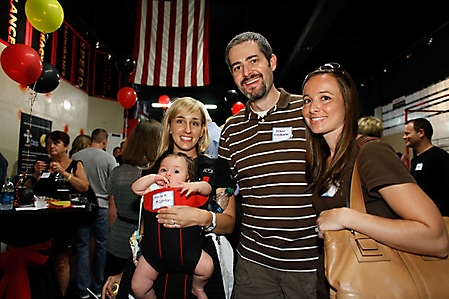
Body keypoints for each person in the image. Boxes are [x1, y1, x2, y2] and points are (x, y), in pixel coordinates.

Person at [301, 62, 449, 298]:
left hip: (379, 285)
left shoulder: (370, 153)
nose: (313, 108)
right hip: (339, 285)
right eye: (307, 100)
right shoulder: (325, 161)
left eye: (325, 98)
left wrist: (346, 217)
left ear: (347, 104)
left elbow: (436, 237)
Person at [102, 97, 236, 299]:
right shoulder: (154, 172)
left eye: (195, 123)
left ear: (202, 130)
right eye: (180, 121)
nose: (187, 129)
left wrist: (198, 217)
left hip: (200, 266)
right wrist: (125, 272)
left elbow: (228, 223)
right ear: (170, 127)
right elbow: (143, 231)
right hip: (156, 268)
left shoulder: (217, 168)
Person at [219, 31, 318, 298]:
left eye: (253, 61)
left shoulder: (308, 112)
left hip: (308, 265)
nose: (247, 72)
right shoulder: (230, 132)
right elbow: (225, 189)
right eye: (237, 67)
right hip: (254, 266)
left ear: (272, 62)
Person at [132, 152, 214, 299]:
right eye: (163, 170)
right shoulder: (154, 189)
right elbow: (136, 189)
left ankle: (197, 288)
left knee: (207, 268)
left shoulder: (190, 190)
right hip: (154, 255)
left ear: (187, 178)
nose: (168, 174)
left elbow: (207, 189)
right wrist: (152, 179)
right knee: (138, 287)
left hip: (189, 252)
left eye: (176, 171)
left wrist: (195, 186)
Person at [33, 130, 90, 297]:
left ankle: (62, 295)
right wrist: (36, 174)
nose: (51, 146)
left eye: (56, 143)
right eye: (49, 143)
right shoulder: (43, 164)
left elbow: (84, 187)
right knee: (44, 259)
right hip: (44, 218)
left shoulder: (75, 165)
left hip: (65, 219)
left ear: (66, 146)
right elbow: (33, 190)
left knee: (62, 259)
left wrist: (64, 173)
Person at [105, 119, 163, 279]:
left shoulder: (117, 172)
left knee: (112, 288)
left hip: (117, 238)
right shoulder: (158, 177)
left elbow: (112, 213)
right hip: (146, 244)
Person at [72, 128, 117, 299]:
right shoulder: (109, 158)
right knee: (102, 247)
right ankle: (99, 287)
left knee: (82, 247)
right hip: (103, 206)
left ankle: (83, 289)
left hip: (82, 207)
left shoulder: (77, 157)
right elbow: (113, 185)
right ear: (104, 141)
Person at [403, 118, 449, 216]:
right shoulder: (415, 161)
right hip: (424, 214)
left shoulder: (440, 156)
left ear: (421, 133)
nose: (404, 137)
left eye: (407, 134)